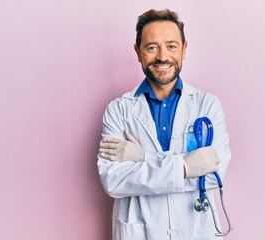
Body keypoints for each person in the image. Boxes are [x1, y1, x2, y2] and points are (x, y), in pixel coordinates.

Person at [97, 9, 231, 240]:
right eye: (151, 47)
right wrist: (186, 168)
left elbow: (214, 173)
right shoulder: (118, 110)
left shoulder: (207, 105)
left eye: (171, 46)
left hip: (196, 230)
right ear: (138, 52)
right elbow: (114, 181)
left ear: (184, 49)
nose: (162, 56)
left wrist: (142, 159)